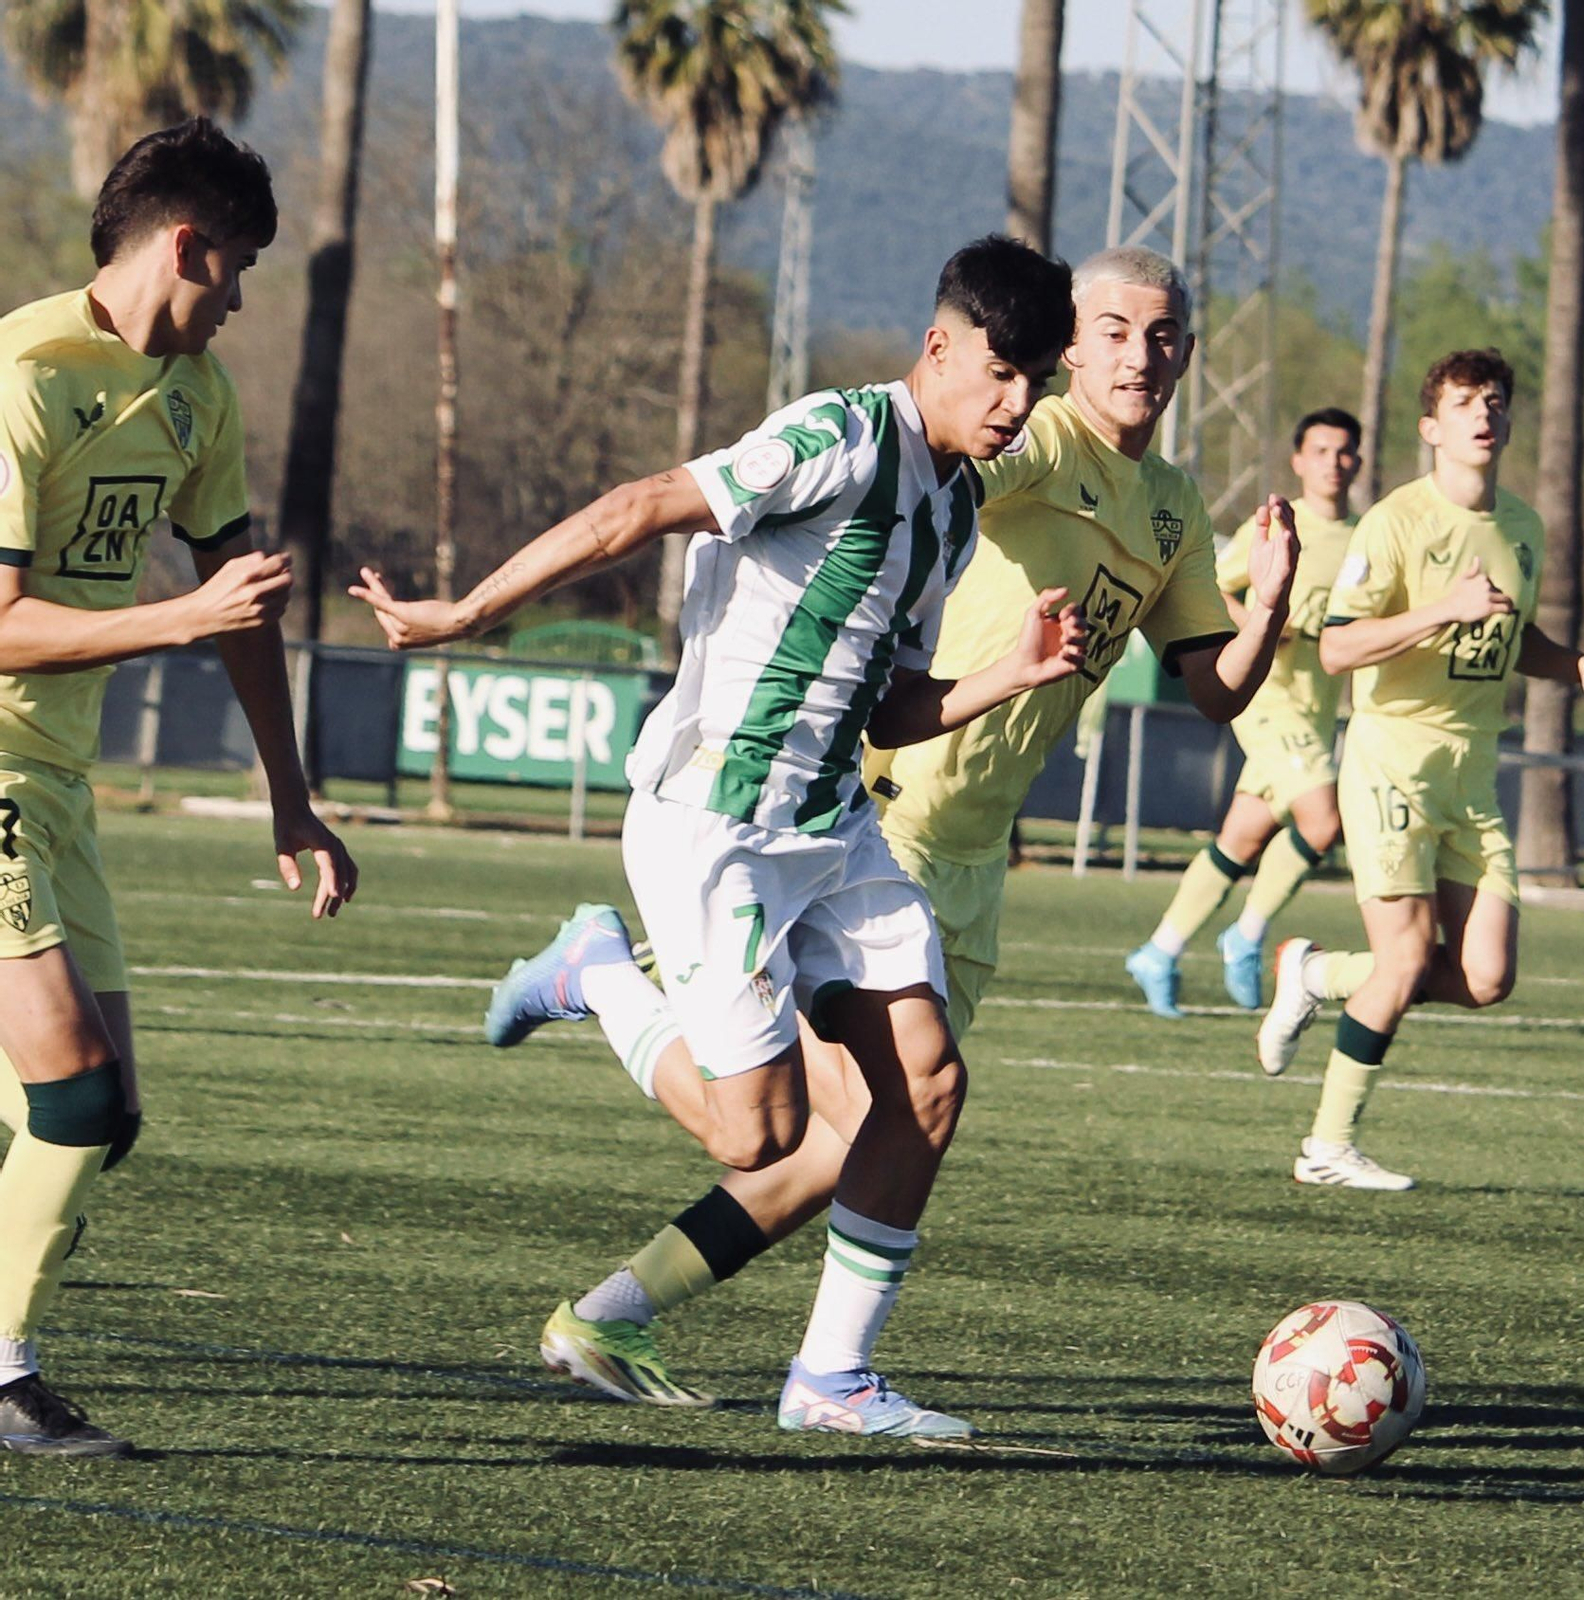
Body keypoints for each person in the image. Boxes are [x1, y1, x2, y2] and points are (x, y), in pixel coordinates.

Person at [491, 245, 1302, 1415]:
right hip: (876, 804)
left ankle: (643, 1324)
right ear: (1068, 346)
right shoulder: (1025, 440)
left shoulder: (1170, 508)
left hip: (973, 848)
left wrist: (1267, 604)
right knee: (821, 1126)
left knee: (879, 1126)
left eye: (1165, 334)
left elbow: (1215, 689)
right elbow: (887, 484)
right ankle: (764, 1339)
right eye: (1115, 330)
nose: (1141, 353)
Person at [356, 235, 1089, 1439]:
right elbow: (639, 507)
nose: (1016, 404)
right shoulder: (839, 437)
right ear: (940, 345)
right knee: (761, 1131)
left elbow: (889, 703)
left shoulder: (954, 510)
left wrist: (1003, 676)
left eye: (1034, 384)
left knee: (927, 1082)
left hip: (831, 823)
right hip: (716, 821)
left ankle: (831, 1380)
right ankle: (596, 969)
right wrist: (466, 611)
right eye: (1000, 373)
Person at [0, 119, 358, 1457]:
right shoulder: (23, 375)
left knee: (110, 1118)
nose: (245, 302)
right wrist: (173, 619)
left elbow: (243, 609)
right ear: (186, 246)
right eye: (240, 269)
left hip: (53, 775)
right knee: (71, 1097)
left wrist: (290, 794)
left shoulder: (199, 401)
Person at [1256, 348, 1584, 1189]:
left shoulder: (1522, 525)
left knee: (1487, 978)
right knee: (1407, 958)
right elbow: (1337, 647)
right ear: (1431, 427)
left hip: (1470, 777)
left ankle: (1317, 973)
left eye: (1494, 402)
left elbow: (1514, 644)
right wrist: (1441, 608)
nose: (1483, 414)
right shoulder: (1397, 522)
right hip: (1391, 763)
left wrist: (1580, 668)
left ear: (1509, 421)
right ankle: (1327, 1147)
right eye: (1463, 403)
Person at [1127, 409, 1361, 1015]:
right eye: (1322, 450)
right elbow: (1211, 587)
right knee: (1322, 821)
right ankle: (1249, 934)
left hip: (1313, 715)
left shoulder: (1363, 538)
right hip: (1266, 703)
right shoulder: (1281, 527)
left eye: (1345, 452)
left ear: (1357, 462)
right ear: (1299, 461)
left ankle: (1160, 948)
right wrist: (1263, 619)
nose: (1334, 463)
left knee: (1242, 838)